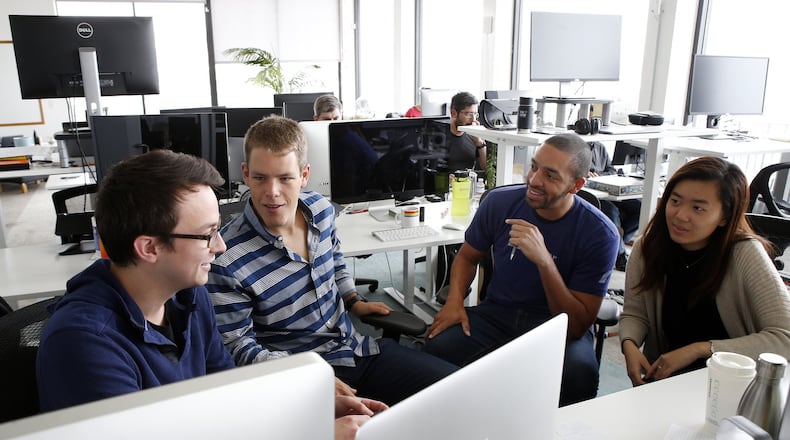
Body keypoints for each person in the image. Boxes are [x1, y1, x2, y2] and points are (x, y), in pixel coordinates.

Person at [36, 150, 386, 439]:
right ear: (149, 247)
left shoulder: (187, 297)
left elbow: (224, 394)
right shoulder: (84, 345)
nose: (219, 246)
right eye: (207, 234)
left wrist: (304, 405)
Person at [206, 115, 458, 405]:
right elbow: (236, 347)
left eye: (285, 178)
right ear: (246, 174)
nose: (272, 192)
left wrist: (353, 300)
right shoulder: (226, 258)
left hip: (357, 349)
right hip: (299, 379)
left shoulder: (321, 210)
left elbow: (335, 259)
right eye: (260, 177)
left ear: (304, 175)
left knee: (457, 390)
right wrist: (308, 379)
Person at [423, 133, 620, 406]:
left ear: (576, 185)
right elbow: (467, 257)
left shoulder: (600, 234)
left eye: (551, 176)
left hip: (556, 323)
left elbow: (575, 326)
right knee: (436, 347)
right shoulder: (499, 203)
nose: (535, 180)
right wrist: (455, 301)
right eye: (534, 166)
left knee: (579, 374)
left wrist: (544, 261)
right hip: (498, 314)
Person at [619, 156, 790, 386]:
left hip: (732, 384)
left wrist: (702, 349)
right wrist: (629, 343)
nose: (680, 215)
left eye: (698, 208)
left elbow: (784, 338)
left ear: (724, 217)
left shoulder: (745, 254)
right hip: (666, 382)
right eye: (675, 201)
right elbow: (635, 313)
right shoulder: (648, 247)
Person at [588, 141, 642, 271]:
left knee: (639, 207)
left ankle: (617, 243)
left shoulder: (600, 147)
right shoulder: (576, 147)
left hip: (607, 190)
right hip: (590, 193)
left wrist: (599, 176)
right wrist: (586, 174)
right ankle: (620, 255)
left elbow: (611, 170)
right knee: (611, 211)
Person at [444, 92, 487, 176]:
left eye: (475, 114)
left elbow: (485, 168)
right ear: (454, 113)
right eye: (468, 114)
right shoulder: (440, 135)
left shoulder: (474, 136)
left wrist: (479, 142)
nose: (473, 119)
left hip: (467, 184)